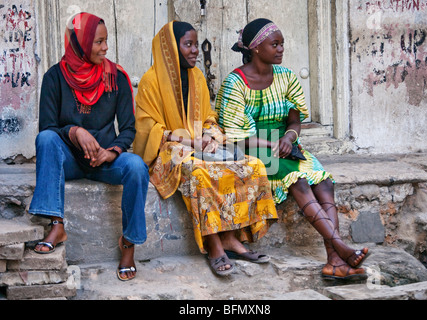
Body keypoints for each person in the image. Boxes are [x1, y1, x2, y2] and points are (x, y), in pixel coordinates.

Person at [215, 18, 369, 280]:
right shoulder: (235, 83)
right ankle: (340, 248)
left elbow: (295, 121)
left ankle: (334, 260)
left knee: (324, 182)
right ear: (255, 48)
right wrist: (274, 144)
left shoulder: (286, 77)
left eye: (282, 44)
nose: (280, 49)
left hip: (285, 144)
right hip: (254, 147)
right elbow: (236, 137)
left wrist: (288, 137)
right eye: (274, 44)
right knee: (297, 179)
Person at [133, 21, 278, 276]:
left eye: (195, 45)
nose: (194, 51)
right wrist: (189, 141)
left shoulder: (197, 76)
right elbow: (148, 129)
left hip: (200, 145)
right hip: (167, 150)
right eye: (187, 44)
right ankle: (213, 244)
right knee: (199, 173)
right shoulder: (150, 81)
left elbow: (209, 117)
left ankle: (232, 239)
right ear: (169, 47)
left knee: (250, 166)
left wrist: (211, 135)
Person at [29, 12, 149, 282]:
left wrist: (112, 152)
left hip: (106, 162)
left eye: (106, 41)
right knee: (46, 140)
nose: (105, 48)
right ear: (80, 43)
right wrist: (73, 131)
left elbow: (128, 128)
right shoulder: (54, 77)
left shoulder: (116, 77)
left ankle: (128, 244)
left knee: (137, 167)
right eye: (98, 42)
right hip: (70, 161)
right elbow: (47, 128)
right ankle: (56, 225)